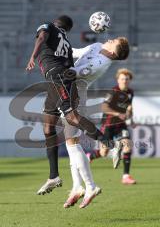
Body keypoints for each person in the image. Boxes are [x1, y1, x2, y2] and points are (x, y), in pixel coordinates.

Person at [26, 16, 122, 203]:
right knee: (49, 128)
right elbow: (74, 54)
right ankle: (56, 177)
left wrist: (34, 57)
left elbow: (43, 38)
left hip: (67, 82)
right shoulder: (79, 44)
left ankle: (107, 146)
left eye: (113, 42)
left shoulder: (49, 28)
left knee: (72, 127)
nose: (109, 40)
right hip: (57, 81)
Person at [88, 68, 136, 185]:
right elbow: (104, 108)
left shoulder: (130, 92)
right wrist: (117, 113)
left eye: (126, 79)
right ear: (118, 80)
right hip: (109, 125)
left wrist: (131, 118)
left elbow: (129, 108)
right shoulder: (113, 92)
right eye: (122, 79)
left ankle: (126, 176)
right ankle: (89, 157)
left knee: (127, 146)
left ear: (129, 80)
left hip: (121, 126)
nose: (124, 81)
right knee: (104, 152)